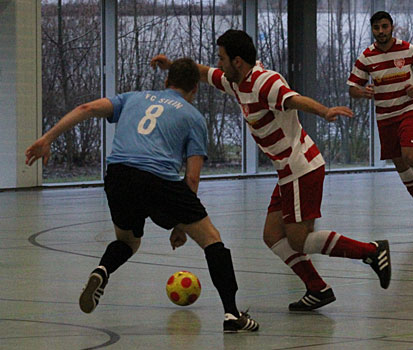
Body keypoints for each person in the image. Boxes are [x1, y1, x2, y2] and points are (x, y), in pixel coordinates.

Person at [151, 30, 391, 312]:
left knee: (299, 239)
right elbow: (204, 73)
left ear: (237, 61)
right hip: (287, 171)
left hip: (302, 167)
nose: (219, 63)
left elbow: (294, 99)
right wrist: (172, 68)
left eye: (222, 58)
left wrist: (324, 112)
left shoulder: (265, 83)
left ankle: (372, 251)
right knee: (272, 235)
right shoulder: (235, 81)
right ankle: (317, 288)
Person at [25, 58, 259, 333]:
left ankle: (103, 270)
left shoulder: (133, 98)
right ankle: (232, 314)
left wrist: (47, 139)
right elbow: (192, 177)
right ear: (195, 88)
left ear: (165, 81)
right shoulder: (193, 117)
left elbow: (86, 108)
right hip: (159, 180)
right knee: (211, 240)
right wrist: (180, 224)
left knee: (128, 241)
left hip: (118, 175)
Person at [347, 11, 413, 227]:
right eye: (376, 28)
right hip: (385, 116)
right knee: (400, 165)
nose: (380, 31)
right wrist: (362, 92)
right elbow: (353, 88)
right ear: (372, 30)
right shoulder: (366, 57)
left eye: (384, 26)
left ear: (392, 27)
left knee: (410, 156)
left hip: (408, 110)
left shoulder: (408, 50)